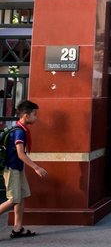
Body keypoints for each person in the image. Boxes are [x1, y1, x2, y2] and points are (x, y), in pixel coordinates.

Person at [0, 100, 47, 238]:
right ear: (26, 115)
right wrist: (36, 167)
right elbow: (21, 154)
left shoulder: (20, 129)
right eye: (34, 114)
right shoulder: (19, 132)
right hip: (12, 169)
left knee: (20, 198)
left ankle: (18, 228)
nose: (36, 117)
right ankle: (17, 228)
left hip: (17, 169)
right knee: (14, 199)